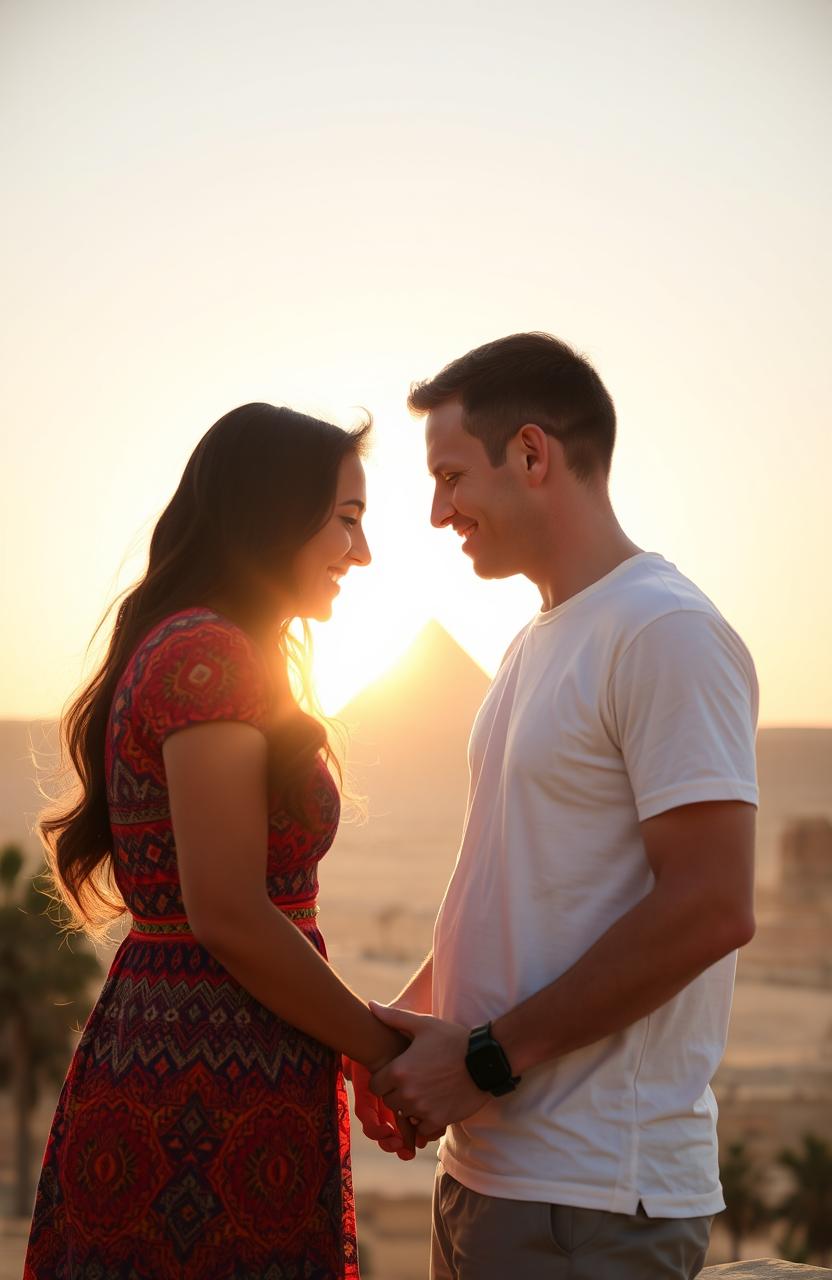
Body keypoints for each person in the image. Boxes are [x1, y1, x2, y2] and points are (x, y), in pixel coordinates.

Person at [359, 333, 759, 1279]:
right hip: (492, 1177)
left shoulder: (665, 631)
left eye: (452, 475)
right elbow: (514, 888)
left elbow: (711, 906)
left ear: (532, 455)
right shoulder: (537, 642)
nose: (435, 509)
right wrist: (407, 1038)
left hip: (589, 1201)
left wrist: (484, 1061)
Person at [24, 403, 413, 1280]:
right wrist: (377, 1051)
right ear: (274, 512)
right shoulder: (209, 657)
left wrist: (357, 1030)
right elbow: (230, 909)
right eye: (347, 520)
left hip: (213, 1051)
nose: (363, 553)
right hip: (206, 1085)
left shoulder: (213, 647)